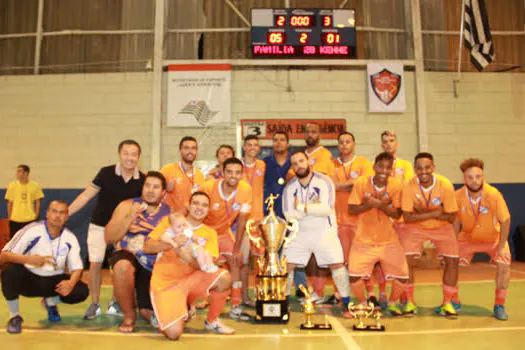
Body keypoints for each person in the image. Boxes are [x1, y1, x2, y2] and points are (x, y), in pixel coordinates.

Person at [68, 139, 145, 320]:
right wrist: (67, 212)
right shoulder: (106, 173)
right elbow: (87, 194)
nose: (129, 158)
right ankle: (94, 303)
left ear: (138, 157)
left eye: (134, 154)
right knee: (95, 263)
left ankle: (114, 302)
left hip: (123, 230)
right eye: (126, 153)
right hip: (99, 225)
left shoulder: (142, 180)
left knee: (120, 266)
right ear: (119, 154)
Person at [144, 191, 235, 339]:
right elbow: (147, 247)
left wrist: (187, 258)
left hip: (191, 280)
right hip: (166, 283)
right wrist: (172, 246)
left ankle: (212, 321)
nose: (199, 207)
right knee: (174, 334)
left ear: (208, 210)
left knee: (224, 277)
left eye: (204, 205)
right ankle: (170, 311)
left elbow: (207, 264)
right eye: (196, 203)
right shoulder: (170, 222)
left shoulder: (210, 233)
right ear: (188, 205)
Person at [1, 200, 88, 334]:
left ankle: (50, 301)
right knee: (9, 270)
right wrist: (28, 259)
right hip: (29, 280)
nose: (57, 216)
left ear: (66, 217)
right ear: (47, 214)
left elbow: (77, 268)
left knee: (81, 290)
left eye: (62, 212)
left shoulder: (70, 238)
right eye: (54, 211)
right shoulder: (31, 230)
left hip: (53, 282)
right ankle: (15, 316)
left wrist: (71, 283)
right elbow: (4, 255)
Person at [282, 151, 351, 315]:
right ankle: (282, 303)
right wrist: (313, 208)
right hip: (299, 232)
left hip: (324, 231)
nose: (299, 165)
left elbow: (326, 209)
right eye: (295, 163)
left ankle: (346, 304)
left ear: (308, 162)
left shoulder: (324, 181)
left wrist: (301, 207)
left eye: (301, 161)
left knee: (337, 265)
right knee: (286, 266)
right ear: (292, 168)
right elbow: (288, 214)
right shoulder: (290, 188)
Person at [104, 171, 171, 333]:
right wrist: (130, 217)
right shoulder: (126, 205)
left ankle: (142, 304)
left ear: (163, 193)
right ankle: (129, 315)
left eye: (156, 187)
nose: (150, 190)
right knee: (122, 266)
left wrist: (147, 245)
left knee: (148, 312)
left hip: (151, 262)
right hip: (127, 255)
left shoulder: (169, 213)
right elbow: (109, 237)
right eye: (147, 185)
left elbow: (169, 245)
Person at [348, 152, 409, 316]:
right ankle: (363, 304)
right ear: (374, 167)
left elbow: (397, 214)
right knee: (354, 275)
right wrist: (372, 205)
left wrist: (377, 204)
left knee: (403, 276)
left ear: (391, 170)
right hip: (363, 239)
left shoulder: (396, 185)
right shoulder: (361, 182)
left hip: (388, 240)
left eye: (388, 168)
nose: (384, 170)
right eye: (381, 166)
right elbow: (352, 208)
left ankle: (392, 302)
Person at [400, 152, 459, 318]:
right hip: (415, 227)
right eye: (419, 168)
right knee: (407, 260)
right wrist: (434, 212)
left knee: (452, 260)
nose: (423, 171)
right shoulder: (409, 186)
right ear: (415, 169)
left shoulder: (445, 185)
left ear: (433, 167)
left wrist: (423, 212)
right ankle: (409, 302)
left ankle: (447, 303)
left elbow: (451, 216)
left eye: (427, 167)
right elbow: (407, 217)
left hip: (442, 227)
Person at [454, 158, 511, 320]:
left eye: (478, 176)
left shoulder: (493, 194)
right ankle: (453, 301)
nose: (474, 181)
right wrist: (451, 244)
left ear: (483, 177)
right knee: (450, 263)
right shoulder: (457, 196)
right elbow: (455, 223)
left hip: (493, 238)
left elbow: (505, 220)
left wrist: (501, 246)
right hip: (467, 239)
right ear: (464, 179)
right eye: (470, 177)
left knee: (504, 264)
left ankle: (499, 305)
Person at [200, 157, 252, 321]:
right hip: (205, 233)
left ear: (242, 174)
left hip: (223, 233)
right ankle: (196, 301)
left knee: (236, 261)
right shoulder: (208, 187)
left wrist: (236, 249)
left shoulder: (245, 189)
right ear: (222, 173)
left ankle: (236, 306)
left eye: (237, 172)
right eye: (229, 172)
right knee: (202, 264)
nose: (233, 176)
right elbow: (194, 212)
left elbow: (242, 221)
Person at [330, 131, 373, 305]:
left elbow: (363, 185)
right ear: (338, 146)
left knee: (364, 258)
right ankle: (339, 293)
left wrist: (339, 186)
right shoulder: (331, 164)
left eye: (348, 142)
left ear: (354, 144)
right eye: (341, 142)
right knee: (339, 260)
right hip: (339, 221)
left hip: (359, 220)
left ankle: (370, 294)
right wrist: (348, 186)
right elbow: (329, 185)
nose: (345, 145)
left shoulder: (364, 163)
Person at [240, 135, 266, 307]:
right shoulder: (236, 165)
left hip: (258, 220)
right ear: (244, 147)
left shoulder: (262, 165)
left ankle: (259, 293)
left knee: (260, 260)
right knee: (242, 261)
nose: (252, 147)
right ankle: (242, 296)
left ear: (259, 148)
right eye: (249, 144)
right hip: (241, 221)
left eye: (255, 145)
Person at [160, 136, 205, 214]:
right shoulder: (167, 170)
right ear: (180, 151)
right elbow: (153, 195)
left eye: (193, 148)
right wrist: (165, 189)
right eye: (186, 148)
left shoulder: (200, 176)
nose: (190, 151)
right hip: (169, 219)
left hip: (189, 221)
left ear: (197, 152)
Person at [5, 164, 44, 238]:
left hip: (30, 219)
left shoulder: (35, 185)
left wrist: (36, 215)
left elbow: (38, 202)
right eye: (17, 172)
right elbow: (9, 203)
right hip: (15, 220)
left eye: (19, 171)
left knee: (30, 241)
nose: (17, 174)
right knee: (15, 242)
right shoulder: (12, 186)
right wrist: (10, 217)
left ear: (26, 173)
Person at [263, 131, 291, 219]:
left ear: (287, 144)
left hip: (291, 208)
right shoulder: (264, 163)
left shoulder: (295, 162)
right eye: (275, 140)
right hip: (271, 209)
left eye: (282, 140)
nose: (278, 142)